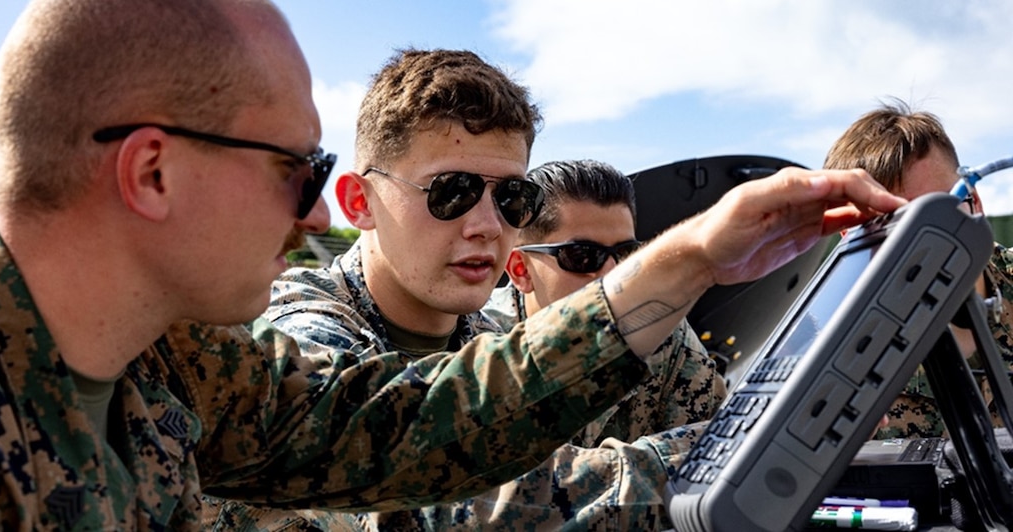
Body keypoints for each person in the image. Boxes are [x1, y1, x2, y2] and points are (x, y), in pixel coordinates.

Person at [0, 0, 904, 530]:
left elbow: (405, 431)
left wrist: (691, 259)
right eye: (290, 171)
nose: (311, 217)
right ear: (151, 171)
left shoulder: (174, 361)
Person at [204, 50, 897, 531]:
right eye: (450, 192)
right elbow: (429, 505)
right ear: (358, 202)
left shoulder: (489, 343)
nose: (485, 224)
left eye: (511, 196)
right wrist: (750, 449)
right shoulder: (300, 327)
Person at [485, 158, 726, 447]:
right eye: (582, 256)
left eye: (625, 255)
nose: (614, 275)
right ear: (521, 270)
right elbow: (524, 487)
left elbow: (716, 448)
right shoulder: (483, 351)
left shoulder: (661, 333)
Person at [824, 98, 1013, 439]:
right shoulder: (831, 364)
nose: (923, 246)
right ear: (849, 238)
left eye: (937, 212)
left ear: (975, 203)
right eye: (890, 226)